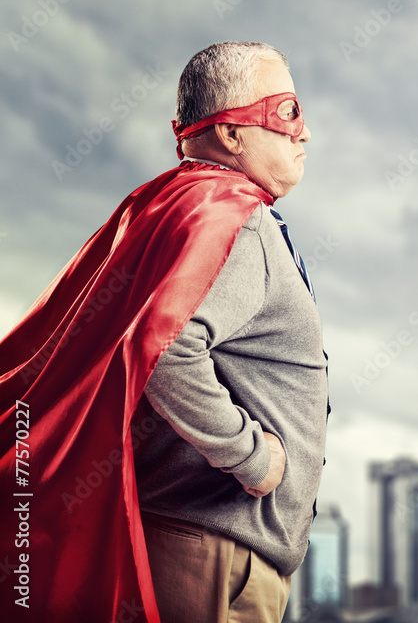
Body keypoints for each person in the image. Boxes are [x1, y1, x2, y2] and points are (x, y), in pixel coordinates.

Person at [0, 41, 327, 623]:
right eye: (289, 111)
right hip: (215, 558)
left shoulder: (173, 204)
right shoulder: (233, 219)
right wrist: (251, 456)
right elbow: (167, 346)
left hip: (194, 544)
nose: (304, 132)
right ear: (230, 132)